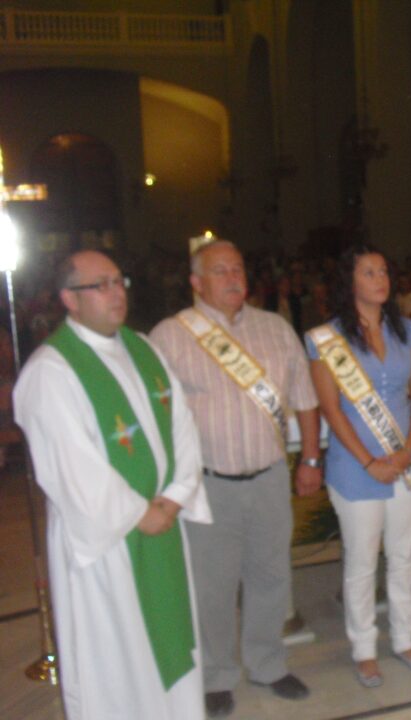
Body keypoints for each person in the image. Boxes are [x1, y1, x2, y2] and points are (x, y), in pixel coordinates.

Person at [14, 250, 211, 719]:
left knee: (170, 639)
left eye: (119, 281)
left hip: (162, 522)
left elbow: (183, 428)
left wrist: (175, 497)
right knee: (117, 659)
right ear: (69, 299)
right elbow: (68, 466)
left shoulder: (143, 348)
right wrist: (139, 512)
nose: (116, 293)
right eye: (100, 285)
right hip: (107, 542)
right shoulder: (51, 370)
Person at [149, 239, 322, 718]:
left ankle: (267, 664)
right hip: (207, 486)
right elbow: (154, 413)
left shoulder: (275, 328)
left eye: (238, 269)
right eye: (220, 270)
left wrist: (310, 459)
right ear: (196, 282)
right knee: (213, 586)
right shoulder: (170, 335)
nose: (232, 278)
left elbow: (305, 399)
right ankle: (216, 675)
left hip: (269, 477)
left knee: (271, 576)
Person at [306, 244, 411, 688]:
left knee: (403, 555)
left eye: (384, 271)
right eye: (369, 272)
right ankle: (364, 649)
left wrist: (407, 450)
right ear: (350, 281)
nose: (381, 279)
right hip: (355, 466)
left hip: (406, 458)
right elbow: (331, 408)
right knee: (361, 561)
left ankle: (405, 639)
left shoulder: (407, 330)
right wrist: (369, 461)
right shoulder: (326, 338)